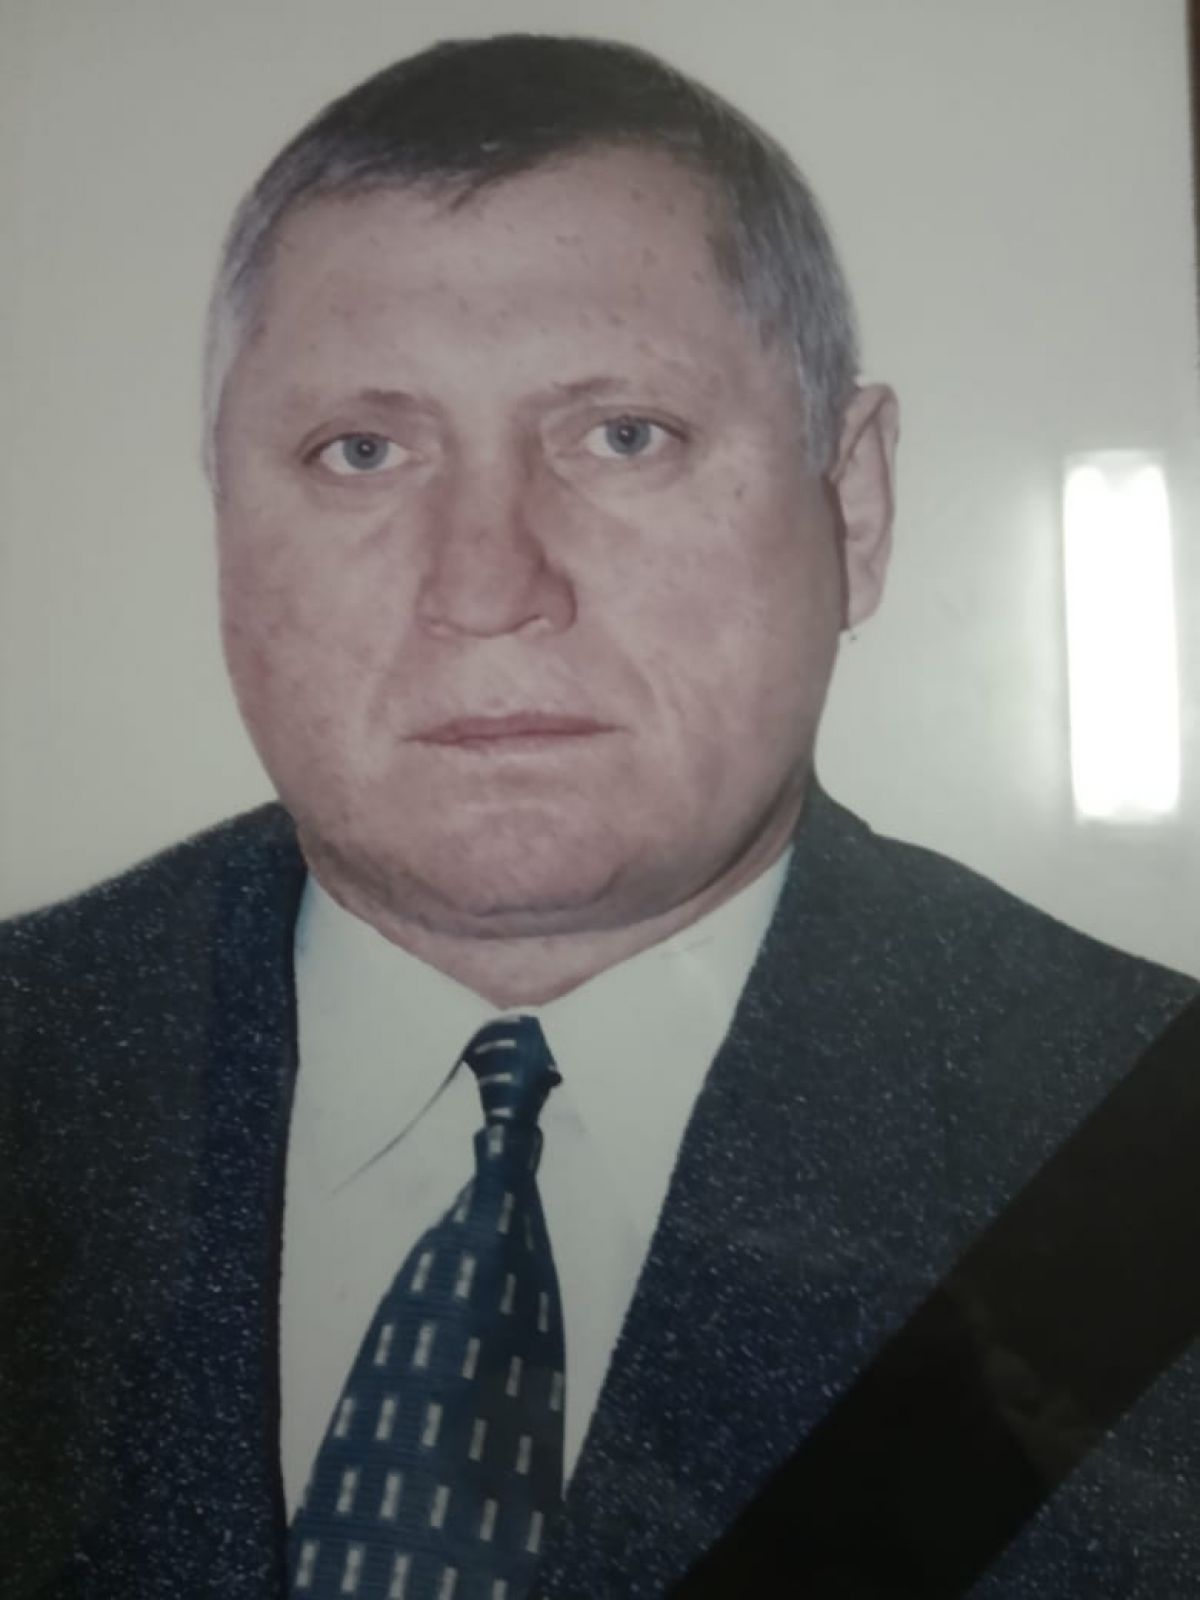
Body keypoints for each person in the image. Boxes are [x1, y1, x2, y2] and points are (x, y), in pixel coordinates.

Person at [2, 33, 1198, 1600]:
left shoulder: (1151, 1149)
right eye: (362, 450)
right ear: (227, 518)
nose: (488, 585)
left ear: (854, 501)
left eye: (623, 435)